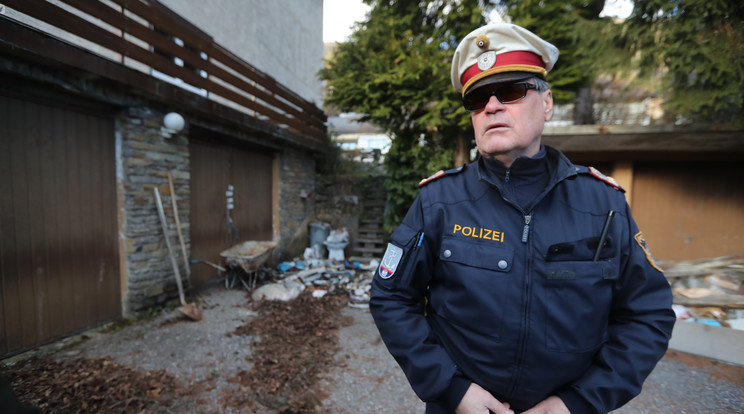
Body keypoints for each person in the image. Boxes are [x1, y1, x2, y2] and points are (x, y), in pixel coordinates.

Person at [369, 23, 675, 414]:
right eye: (477, 99)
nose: (492, 106)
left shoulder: (603, 205)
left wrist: (577, 403)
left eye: (511, 91)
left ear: (547, 103)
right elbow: (391, 296)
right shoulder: (439, 201)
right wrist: (452, 389)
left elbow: (646, 314)